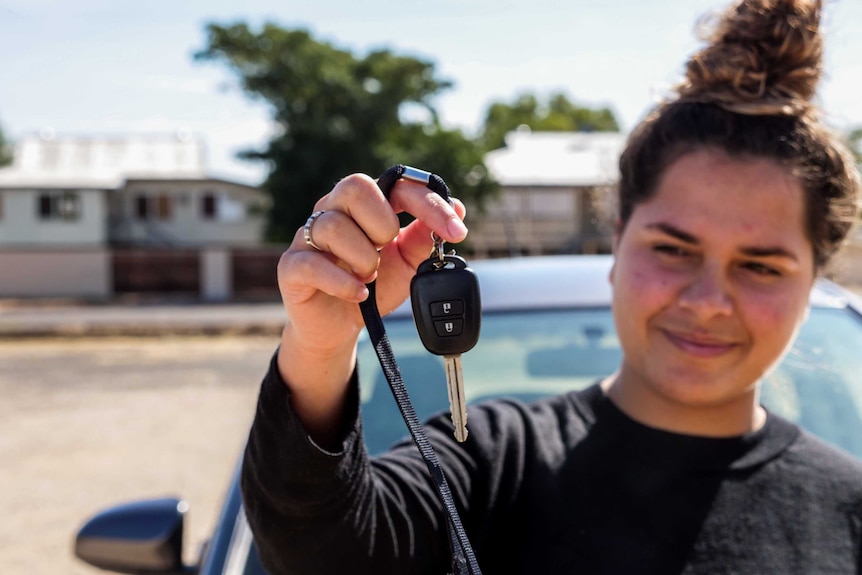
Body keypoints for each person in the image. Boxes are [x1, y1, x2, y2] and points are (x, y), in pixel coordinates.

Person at [241, 0, 862, 573]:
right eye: (673, 249)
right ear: (618, 242)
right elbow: (323, 551)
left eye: (761, 265)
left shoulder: (850, 514)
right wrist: (320, 350)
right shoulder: (493, 463)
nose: (706, 301)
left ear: (813, 278)